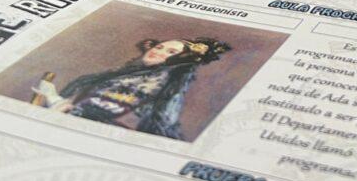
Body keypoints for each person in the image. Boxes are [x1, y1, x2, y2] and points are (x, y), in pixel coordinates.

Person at [31, 37, 231, 140]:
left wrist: (53, 98)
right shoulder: (132, 74)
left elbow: (99, 110)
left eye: (170, 52)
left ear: (180, 59)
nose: (157, 51)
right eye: (159, 47)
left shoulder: (157, 80)